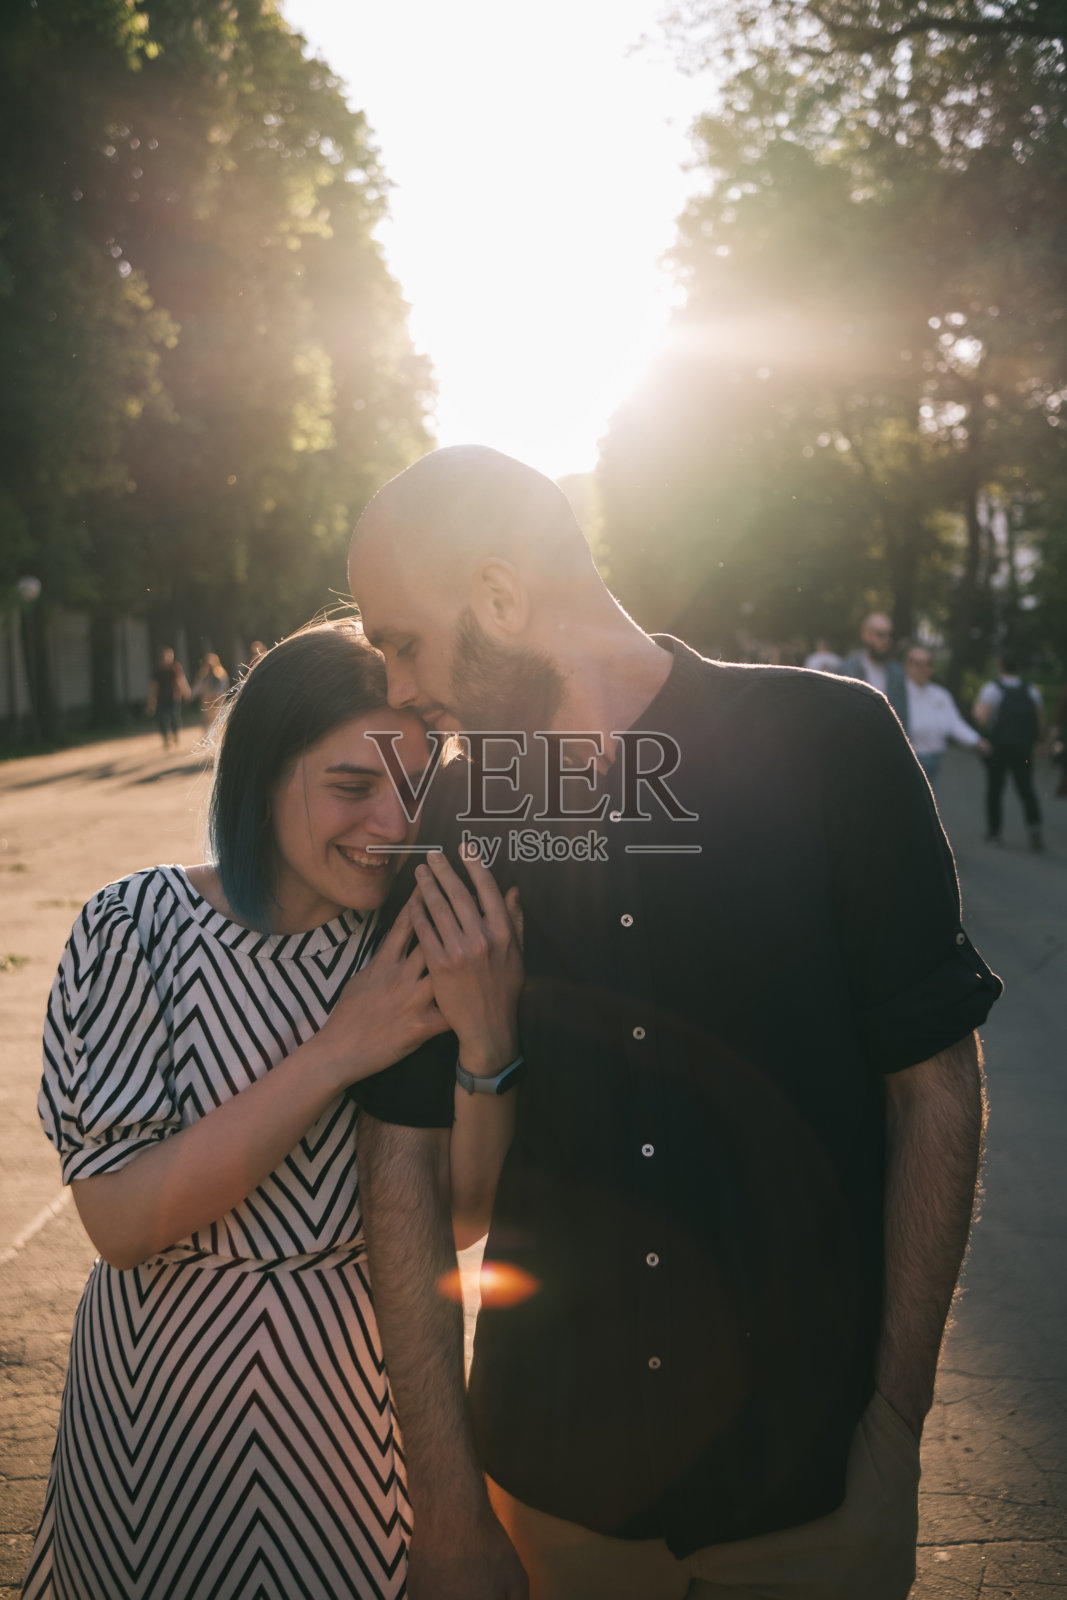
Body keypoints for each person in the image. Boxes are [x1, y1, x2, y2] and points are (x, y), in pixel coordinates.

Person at [346, 446, 1002, 1600]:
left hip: (813, 1494)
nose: (396, 686)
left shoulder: (829, 743)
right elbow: (400, 1157)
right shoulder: (465, 806)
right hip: (551, 1493)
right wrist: (447, 1506)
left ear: (499, 596)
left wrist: (894, 1426)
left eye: (401, 642)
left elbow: (934, 1087)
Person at [23, 620, 524, 1600]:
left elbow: (461, 1219)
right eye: (351, 786)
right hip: (158, 1415)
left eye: (416, 790)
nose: (392, 825)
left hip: (358, 1418)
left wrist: (487, 1044)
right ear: (260, 774)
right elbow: (120, 1221)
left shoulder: (414, 941)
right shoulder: (137, 926)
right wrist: (338, 1050)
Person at [974, 651, 1045, 850]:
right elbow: (1040, 720)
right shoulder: (1031, 690)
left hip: (1000, 747)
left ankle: (994, 833)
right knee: (1026, 788)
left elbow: (983, 718)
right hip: (1023, 748)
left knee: (995, 789)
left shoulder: (992, 689)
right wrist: (1039, 742)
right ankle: (1035, 829)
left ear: (1000, 666)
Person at [903, 644, 989, 786]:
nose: (923, 669)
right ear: (907, 666)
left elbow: (954, 723)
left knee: (929, 796)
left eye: (928, 664)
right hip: (909, 759)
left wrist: (976, 740)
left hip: (935, 758)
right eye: (917, 663)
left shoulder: (941, 695)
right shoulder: (900, 694)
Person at [835, 613, 909, 730]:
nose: (886, 640)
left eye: (889, 635)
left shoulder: (897, 672)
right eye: (880, 634)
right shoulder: (847, 669)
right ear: (866, 635)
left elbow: (902, 717)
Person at [145, 646, 191, 750]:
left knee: (174, 716)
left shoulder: (175, 667)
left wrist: (186, 691)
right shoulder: (158, 670)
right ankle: (166, 738)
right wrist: (151, 701)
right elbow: (154, 686)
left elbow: (181, 680)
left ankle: (175, 734)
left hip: (174, 696)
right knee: (162, 718)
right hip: (161, 697)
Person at [191, 650, 231, 730]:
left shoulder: (220, 673)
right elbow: (199, 685)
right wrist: (192, 694)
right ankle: (208, 733)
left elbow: (223, 687)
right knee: (206, 719)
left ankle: (216, 732)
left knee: (216, 718)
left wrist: (220, 696)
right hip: (206, 700)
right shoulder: (203, 674)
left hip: (216, 700)